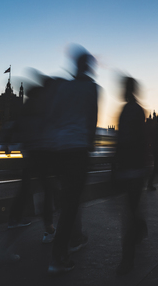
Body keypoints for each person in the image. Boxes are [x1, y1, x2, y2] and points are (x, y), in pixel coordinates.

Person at [46, 48, 99, 274]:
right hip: (78, 149)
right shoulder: (91, 87)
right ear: (87, 66)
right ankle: (60, 256)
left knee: (65, 202)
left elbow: (54, 116)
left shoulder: (64, 87)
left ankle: (65, 245)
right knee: (71, 205)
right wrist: (89, 144)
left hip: (60, 149)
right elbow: (92, 117)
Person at [113, 76, 149, 275]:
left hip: (132, 167)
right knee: (132, 209)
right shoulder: (133, 109)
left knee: (128, 212)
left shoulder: (130, 110)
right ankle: (140, 227)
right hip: (133, 166)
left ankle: (127, 260)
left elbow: (128, 139)